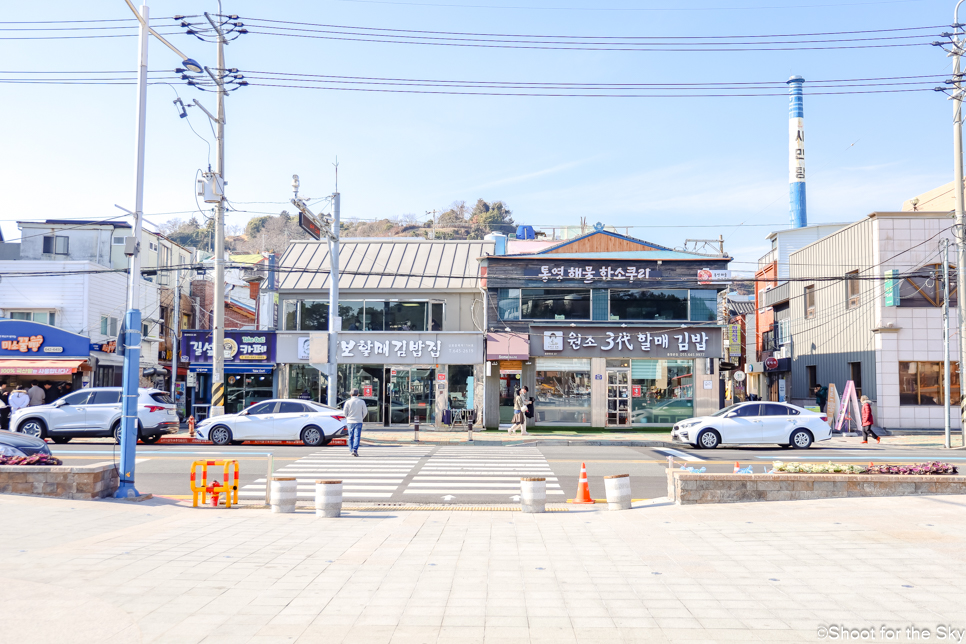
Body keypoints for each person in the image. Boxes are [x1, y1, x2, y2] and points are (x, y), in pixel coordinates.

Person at [342, 388, 368, 457]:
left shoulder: (348, 402)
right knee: (357, 436)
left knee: (350, 436)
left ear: (351, 394)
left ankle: (351, 450)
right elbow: (365, 412)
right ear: (358, 394)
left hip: (350, 421)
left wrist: (347, 417)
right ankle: (355, 449)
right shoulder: (361, 402)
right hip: (358, 421)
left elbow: (344, 412)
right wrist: (361, 417)